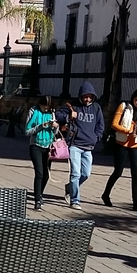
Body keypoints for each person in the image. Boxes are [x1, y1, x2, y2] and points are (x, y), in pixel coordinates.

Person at [56, 81, 104, 209]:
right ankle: (75, 200)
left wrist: (96, 137)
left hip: (88, 146)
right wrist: (68, 116)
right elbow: (58, 115)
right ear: (81, 96)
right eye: (85, 96)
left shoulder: (96, 108)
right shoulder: (73, 105)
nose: (87, 99)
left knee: (86, 174)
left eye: (90, 96)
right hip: (75, 145)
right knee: (75, 173)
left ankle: (70, 187)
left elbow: (100, 125)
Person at [102, 87, 137, 212]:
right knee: (118, 172)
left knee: (136, 173)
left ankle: (135, 202)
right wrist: (127, 130)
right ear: (133, 98)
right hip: (122, 143)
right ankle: (106, 194)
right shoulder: (123, 106)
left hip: (136, 145)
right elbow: (114, 124)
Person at [25, 95, 59, 210]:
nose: (46, 108)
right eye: (44, 106)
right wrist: (40, 126)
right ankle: (37, 200)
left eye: (48, 107)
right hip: (35, 145)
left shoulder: (51, 113)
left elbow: (55, 132)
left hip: (48, 147)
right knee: (39, 173)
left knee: (46, 175)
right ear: (40, 104)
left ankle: (40, 194)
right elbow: (27, 131)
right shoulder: (33, 111)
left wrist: (55, 126)